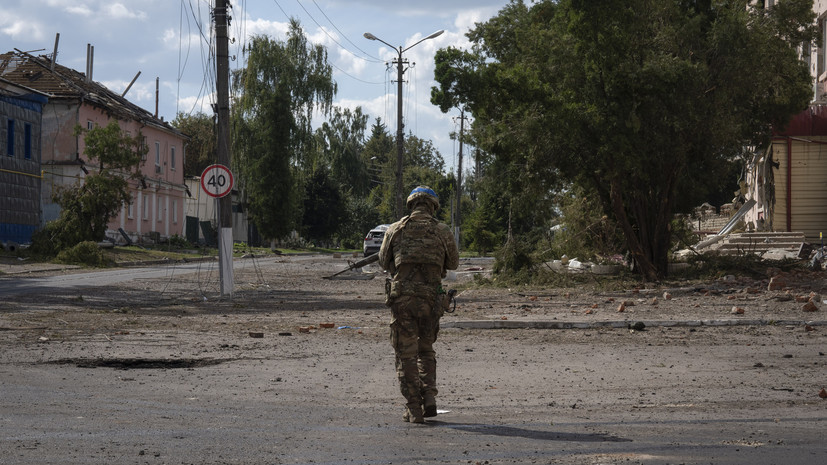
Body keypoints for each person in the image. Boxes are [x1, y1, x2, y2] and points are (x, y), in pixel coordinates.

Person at [378, 186, 459, 423]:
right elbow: (453, 263)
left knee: (406, 354)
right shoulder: (442, 231)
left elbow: (384, 261)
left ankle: (414, 407)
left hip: (403, 300)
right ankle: (430, 397)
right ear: (433, 206)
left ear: (411, 205)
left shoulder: (395, 229)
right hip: (431, 301)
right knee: (426, 349)